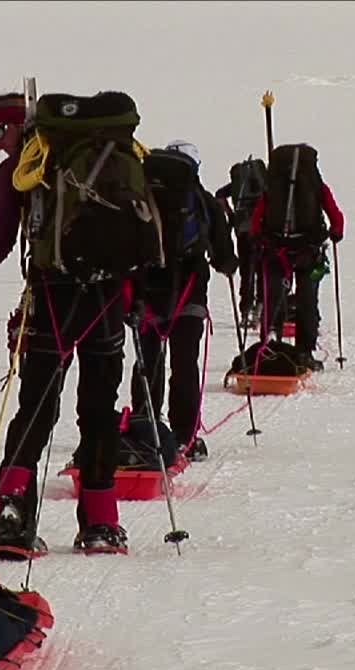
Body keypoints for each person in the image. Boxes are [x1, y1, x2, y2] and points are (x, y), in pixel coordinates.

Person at [0, 90, 145, 556]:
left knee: (34, 408)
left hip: (53, 296)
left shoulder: (24, 168)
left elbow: (0, 241)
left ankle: (12, 514)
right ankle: (101, 524)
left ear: (17, 125)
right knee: (98, 411)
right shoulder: (117, 155)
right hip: (108, 300)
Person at [130, 141, 237, 463]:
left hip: (146, 292)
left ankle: (145, 429)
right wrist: (228, 265)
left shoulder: (144, 197)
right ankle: (184, 437)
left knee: (147, 362)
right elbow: (223, 255)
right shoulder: (203, 202)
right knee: (184, 364)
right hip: (190, 290)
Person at [249, 143, 345, 371]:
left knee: (273, 296)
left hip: (276, 250)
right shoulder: (316, 185)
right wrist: (335, 233)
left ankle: (269, 343)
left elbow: (257, 218)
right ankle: (304, 351)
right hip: (308, 251)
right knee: (307, 301)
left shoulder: (273, 187)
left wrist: (257, 239)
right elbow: (336, 216)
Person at [214, 156, 269, 326]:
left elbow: (219, 195)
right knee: (263, 269)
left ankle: (245, 311)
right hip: (263, 230)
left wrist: (231, 215)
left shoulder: (239, 184)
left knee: (247, 270)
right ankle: (260, 309)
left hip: (243, 230)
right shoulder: (266, 183)